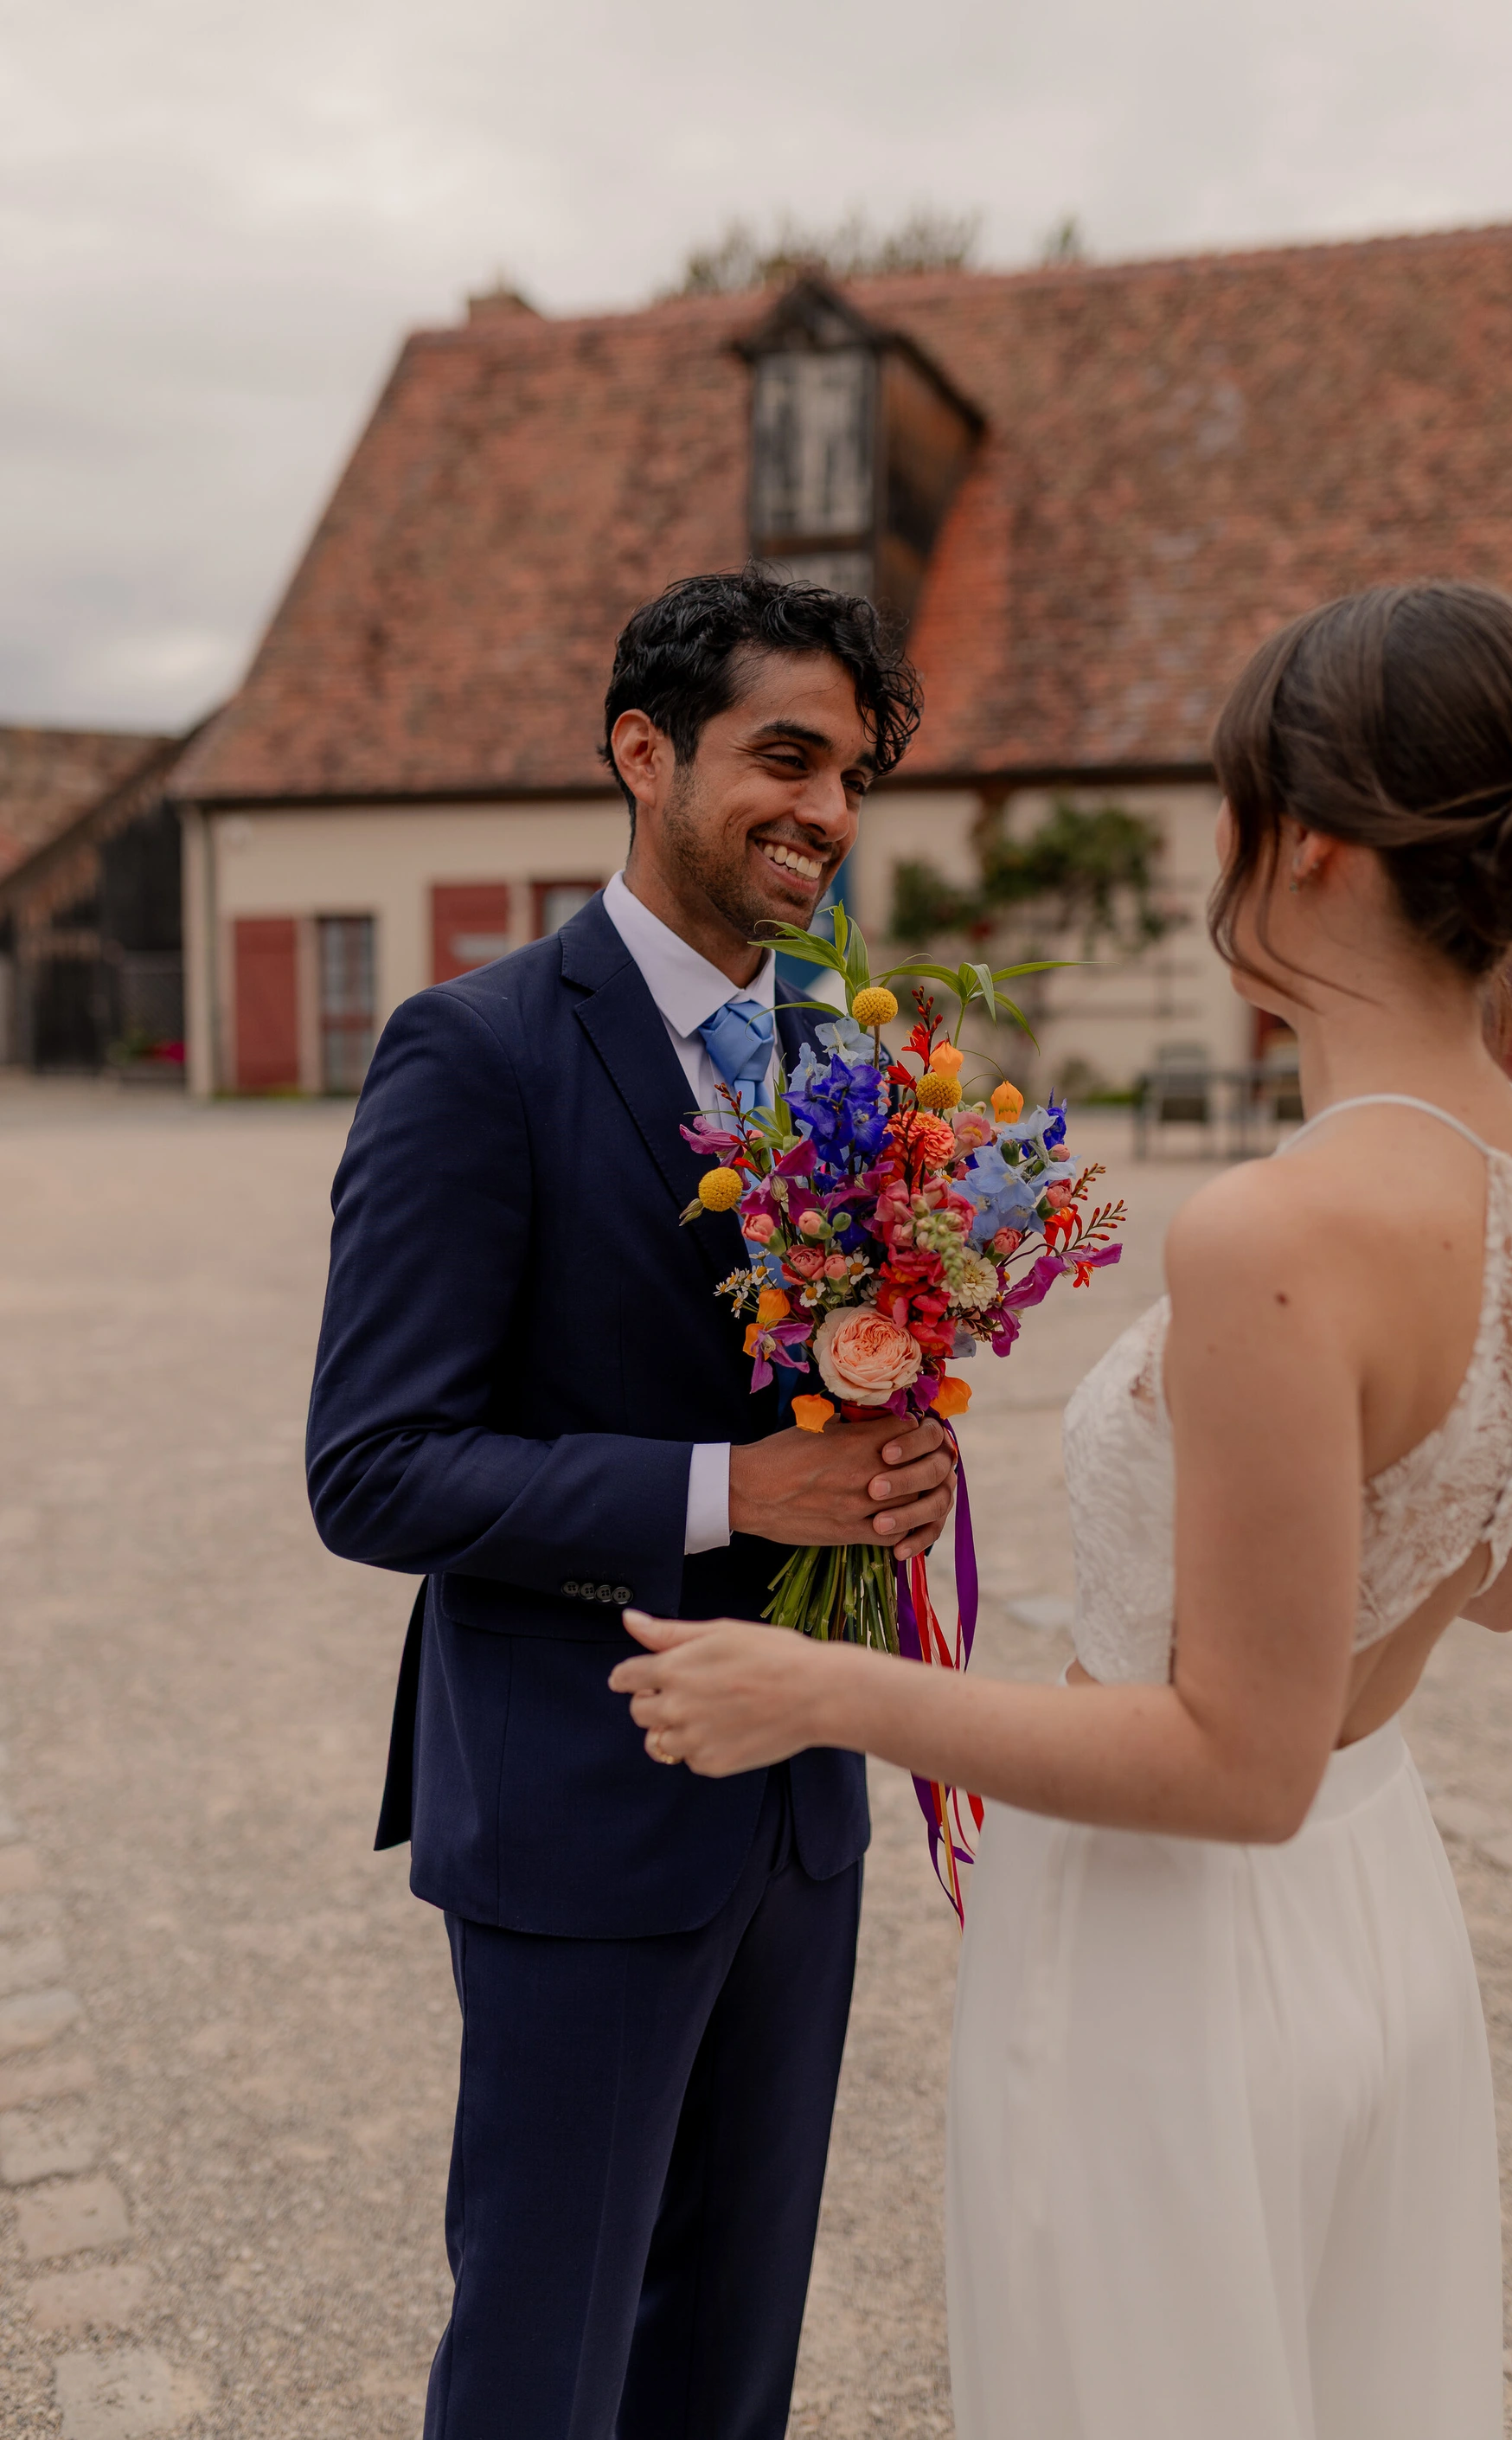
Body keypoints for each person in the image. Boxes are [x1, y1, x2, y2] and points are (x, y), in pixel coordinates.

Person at [608, 579, 1512, 2437]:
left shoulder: (1276, 1231)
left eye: (1231, 817)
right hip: (1377, 1920)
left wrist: (816, 1687)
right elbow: (1495, 1587)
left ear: (1307, 848)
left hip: (1177, 1955)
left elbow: (1241, 1766)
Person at [305, 569, 958, 2439]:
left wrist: (893, 1470)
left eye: (848, 773)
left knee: (730, 2354)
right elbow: (374, 1467)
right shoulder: (476, 1051)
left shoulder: (850, 1054)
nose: (825, 812)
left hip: (797, 1812)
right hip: (576, 1805)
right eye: (783, 756)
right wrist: (731, 1485)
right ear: (641, 752)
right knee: (545, 2353)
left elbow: (832, 1386)